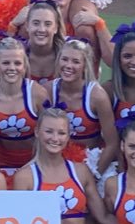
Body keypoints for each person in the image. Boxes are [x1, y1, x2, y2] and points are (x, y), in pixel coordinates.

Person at [0, 37, 49, 181]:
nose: (12, 68)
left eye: (17, 63)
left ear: (25, 66)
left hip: (35, 162)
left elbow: (47, 135)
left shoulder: (38, 94)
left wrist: (35, 168)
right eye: (6, 63)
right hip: (1, 164)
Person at [49, 39, 121, 169]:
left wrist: (95, 174)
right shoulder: (48, 91)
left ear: (84, 66)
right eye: (64, 59)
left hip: (91, 162)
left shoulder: (97, 96)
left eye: (76, 62)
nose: (68, 65)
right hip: (56, 161)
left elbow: (112, 143)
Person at [22, 1, 67, 83]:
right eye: (36, 23)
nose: (41, 29)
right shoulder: (18, 55)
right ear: (27, 26)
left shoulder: (67, 55)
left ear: (56, 28)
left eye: (48, 24)